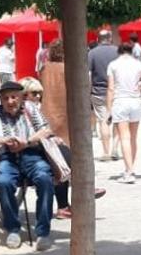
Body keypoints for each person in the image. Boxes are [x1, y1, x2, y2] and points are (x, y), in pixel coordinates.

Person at [0, 81, 55, 251]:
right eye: (5, 98)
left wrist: (27, 142)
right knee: (3, 182)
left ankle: (43, 231)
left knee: (44, 178)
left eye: (14, 97)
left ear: (21, 97)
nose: (10, 101)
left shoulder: (30, 108)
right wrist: (3, 141)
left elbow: (47, 130)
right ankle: (13, 229)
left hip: (31, 154)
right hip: (7, 157)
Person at [35, 48, 106, 219]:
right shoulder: (71, 68)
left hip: (48, 117)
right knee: (68, 160)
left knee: (59, 162)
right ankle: (83, 190)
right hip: (68, 116)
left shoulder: (44, 68)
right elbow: (84, 89)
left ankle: (63, 206)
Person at [106, 42, 141, 183]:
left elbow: (111, 89)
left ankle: (128, 171)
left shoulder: (113, 65)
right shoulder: (138, 64)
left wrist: (108, 109)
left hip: (120, 101)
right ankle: (131, 168)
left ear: (119, 51)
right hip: (135, 101)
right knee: (133, 137)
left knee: (124, 137)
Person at [88, 29, 119, 160]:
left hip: (98, 92)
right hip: (117, 91)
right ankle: (115, 149)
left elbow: (88, 74)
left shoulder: (92, 53)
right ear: (110, 38)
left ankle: (106, 152)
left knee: (103, 121)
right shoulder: (118, 51)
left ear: (98, 39)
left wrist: (88, 91)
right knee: (117, 120)